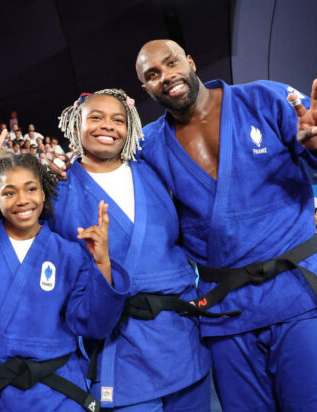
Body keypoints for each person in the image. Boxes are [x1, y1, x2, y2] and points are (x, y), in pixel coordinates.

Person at [135, 39, 317, 411]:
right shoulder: (149, 145)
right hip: (226, 311)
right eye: (153, 74)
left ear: (191, 61)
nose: (166, 76)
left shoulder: (263, 99)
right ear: (146, 89)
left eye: (171, 63)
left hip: (297, 294)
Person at [30, 89, 211, 411]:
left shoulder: (154, 170)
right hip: (118, 346)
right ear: (75, 125)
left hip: (180, 341)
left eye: (118, 120)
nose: (107, 126)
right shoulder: (54, 189)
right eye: (95, 117)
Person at [0, 154, 129, 411]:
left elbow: (92, 324)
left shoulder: (69, 253)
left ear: (44, 193)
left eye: (31, 189)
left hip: (56, 390)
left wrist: (102, 263)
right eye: (9, 193)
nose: (23, 200)